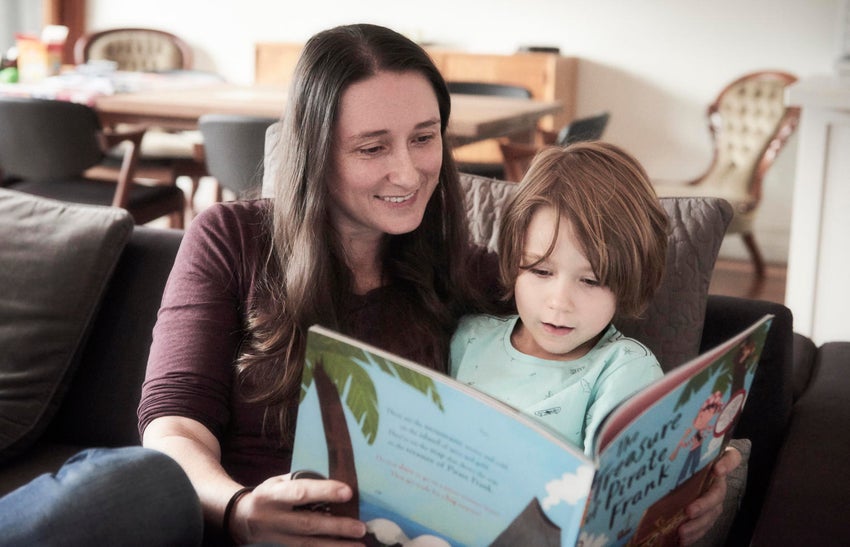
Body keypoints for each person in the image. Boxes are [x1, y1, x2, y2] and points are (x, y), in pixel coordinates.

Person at [136, 23, 740, 547]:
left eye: (425, 138)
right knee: (110, 488)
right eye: (373, 147)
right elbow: (172, 426)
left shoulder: (466, 274)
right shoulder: (230, 238)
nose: (409, 171)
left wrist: (708, 472)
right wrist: (239, 510)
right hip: (227, 523)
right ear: (315, 155)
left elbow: (582, 318)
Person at [451, 142, 668, 455]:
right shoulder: (467, 338)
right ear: (513, 263)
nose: (559, 302)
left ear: (630, 280)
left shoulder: (625, 370)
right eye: (540, 271)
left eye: (591, 280)